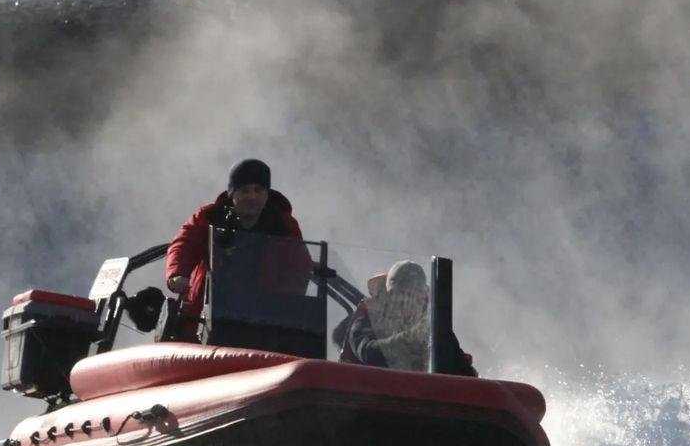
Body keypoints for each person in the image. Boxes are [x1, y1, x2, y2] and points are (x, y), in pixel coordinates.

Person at [165, 159, 310, 340]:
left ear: (267, 194)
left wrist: (283, 302)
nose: (252, 197)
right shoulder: (209, 216)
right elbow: (184, 243)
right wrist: (177, 274)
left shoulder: (284, 225)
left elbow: (299, 266)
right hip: (203, 325)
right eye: (245, 191)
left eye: (259, 190)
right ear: (232, 194)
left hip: (262, 327)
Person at [341, 260, 476, 376]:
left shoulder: (432, 328)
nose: (407, 303)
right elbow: (369, 352)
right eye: (400, 296)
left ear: (423, 299)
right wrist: (411, 337)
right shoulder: (367, 320)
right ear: (388, 297)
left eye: (414, 297)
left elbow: (464, 370)